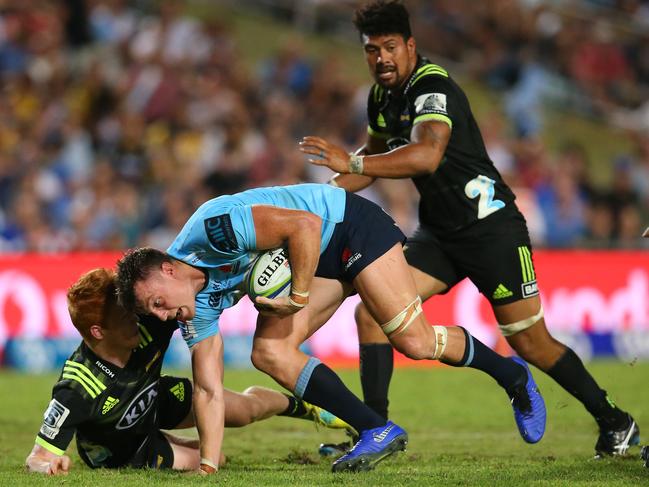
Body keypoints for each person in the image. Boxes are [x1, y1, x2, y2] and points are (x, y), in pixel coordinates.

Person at [298, 0, 638, 458]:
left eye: (390, 47)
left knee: (529, 341)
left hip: (492, 229)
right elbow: (373, 164)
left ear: (411, 46)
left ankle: (616, 420)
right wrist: (316, 200)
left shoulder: (432, 86)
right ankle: (373, 429)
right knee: (373, 314)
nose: (381, 58)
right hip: (440, 234)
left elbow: (426, 154)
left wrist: (353, 160)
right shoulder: (381, 97)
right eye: (372, 49)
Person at [115, 182, 546, 473]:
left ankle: (513, 375)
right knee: (269, 353)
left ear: (169, 271)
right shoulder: (198, 305)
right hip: (312, 259)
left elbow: (304, 225)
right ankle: (376, 429)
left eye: (157, 303)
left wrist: (299, 296)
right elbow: (208, 388)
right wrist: (209, 465)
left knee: (412, 340)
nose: (163, 315)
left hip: (346, 226)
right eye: (154, 314)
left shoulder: (215, 229)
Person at [25, 268, 350, 475]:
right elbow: (37, 456)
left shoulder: (149, 321)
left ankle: (308, 407)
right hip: (127, 451)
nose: (136, 319)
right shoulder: (78, 388)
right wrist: (49, 464)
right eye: (125, 318)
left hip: (152, 399)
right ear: (98, 332)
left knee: (242, 410)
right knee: (216, 457)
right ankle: (170, 443)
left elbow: (188, 289)